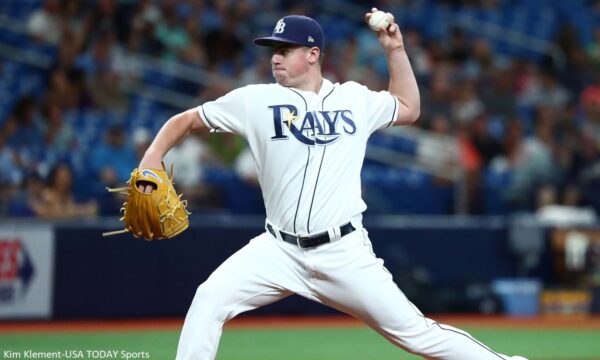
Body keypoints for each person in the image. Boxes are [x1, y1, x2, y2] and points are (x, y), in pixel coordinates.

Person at [137, 9, 527, 360]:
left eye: (285, 48)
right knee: (209, 299)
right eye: (272, 48)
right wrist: (150, 162)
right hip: (278, 250)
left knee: (417, 334)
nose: (275, 56)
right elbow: (185, 120)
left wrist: (395, 50)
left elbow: (409, 108)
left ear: (312, 54)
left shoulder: (355, 99)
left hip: (343, 252)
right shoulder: (253, 101)